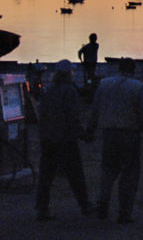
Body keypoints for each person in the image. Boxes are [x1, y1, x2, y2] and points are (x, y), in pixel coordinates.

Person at [86, 58, 143, 224]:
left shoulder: (104, 84)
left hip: (109, 134)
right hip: (130, 134)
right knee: (129, 175)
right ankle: (124, 213)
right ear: (133, 70)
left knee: (108, 171)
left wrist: (90, 129)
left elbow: (95, 109)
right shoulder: (137, 87)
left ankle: (103, 204)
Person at [35, 60, 92, 221]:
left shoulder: (49, 91)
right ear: (68, 74)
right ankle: (85, 205)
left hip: (48, 139)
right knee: (75, 174)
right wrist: (82, 134)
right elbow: (73, 117)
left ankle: (42, 209)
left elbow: (43, 115)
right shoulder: (70, 91)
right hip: (65, 139)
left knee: (46, 175)